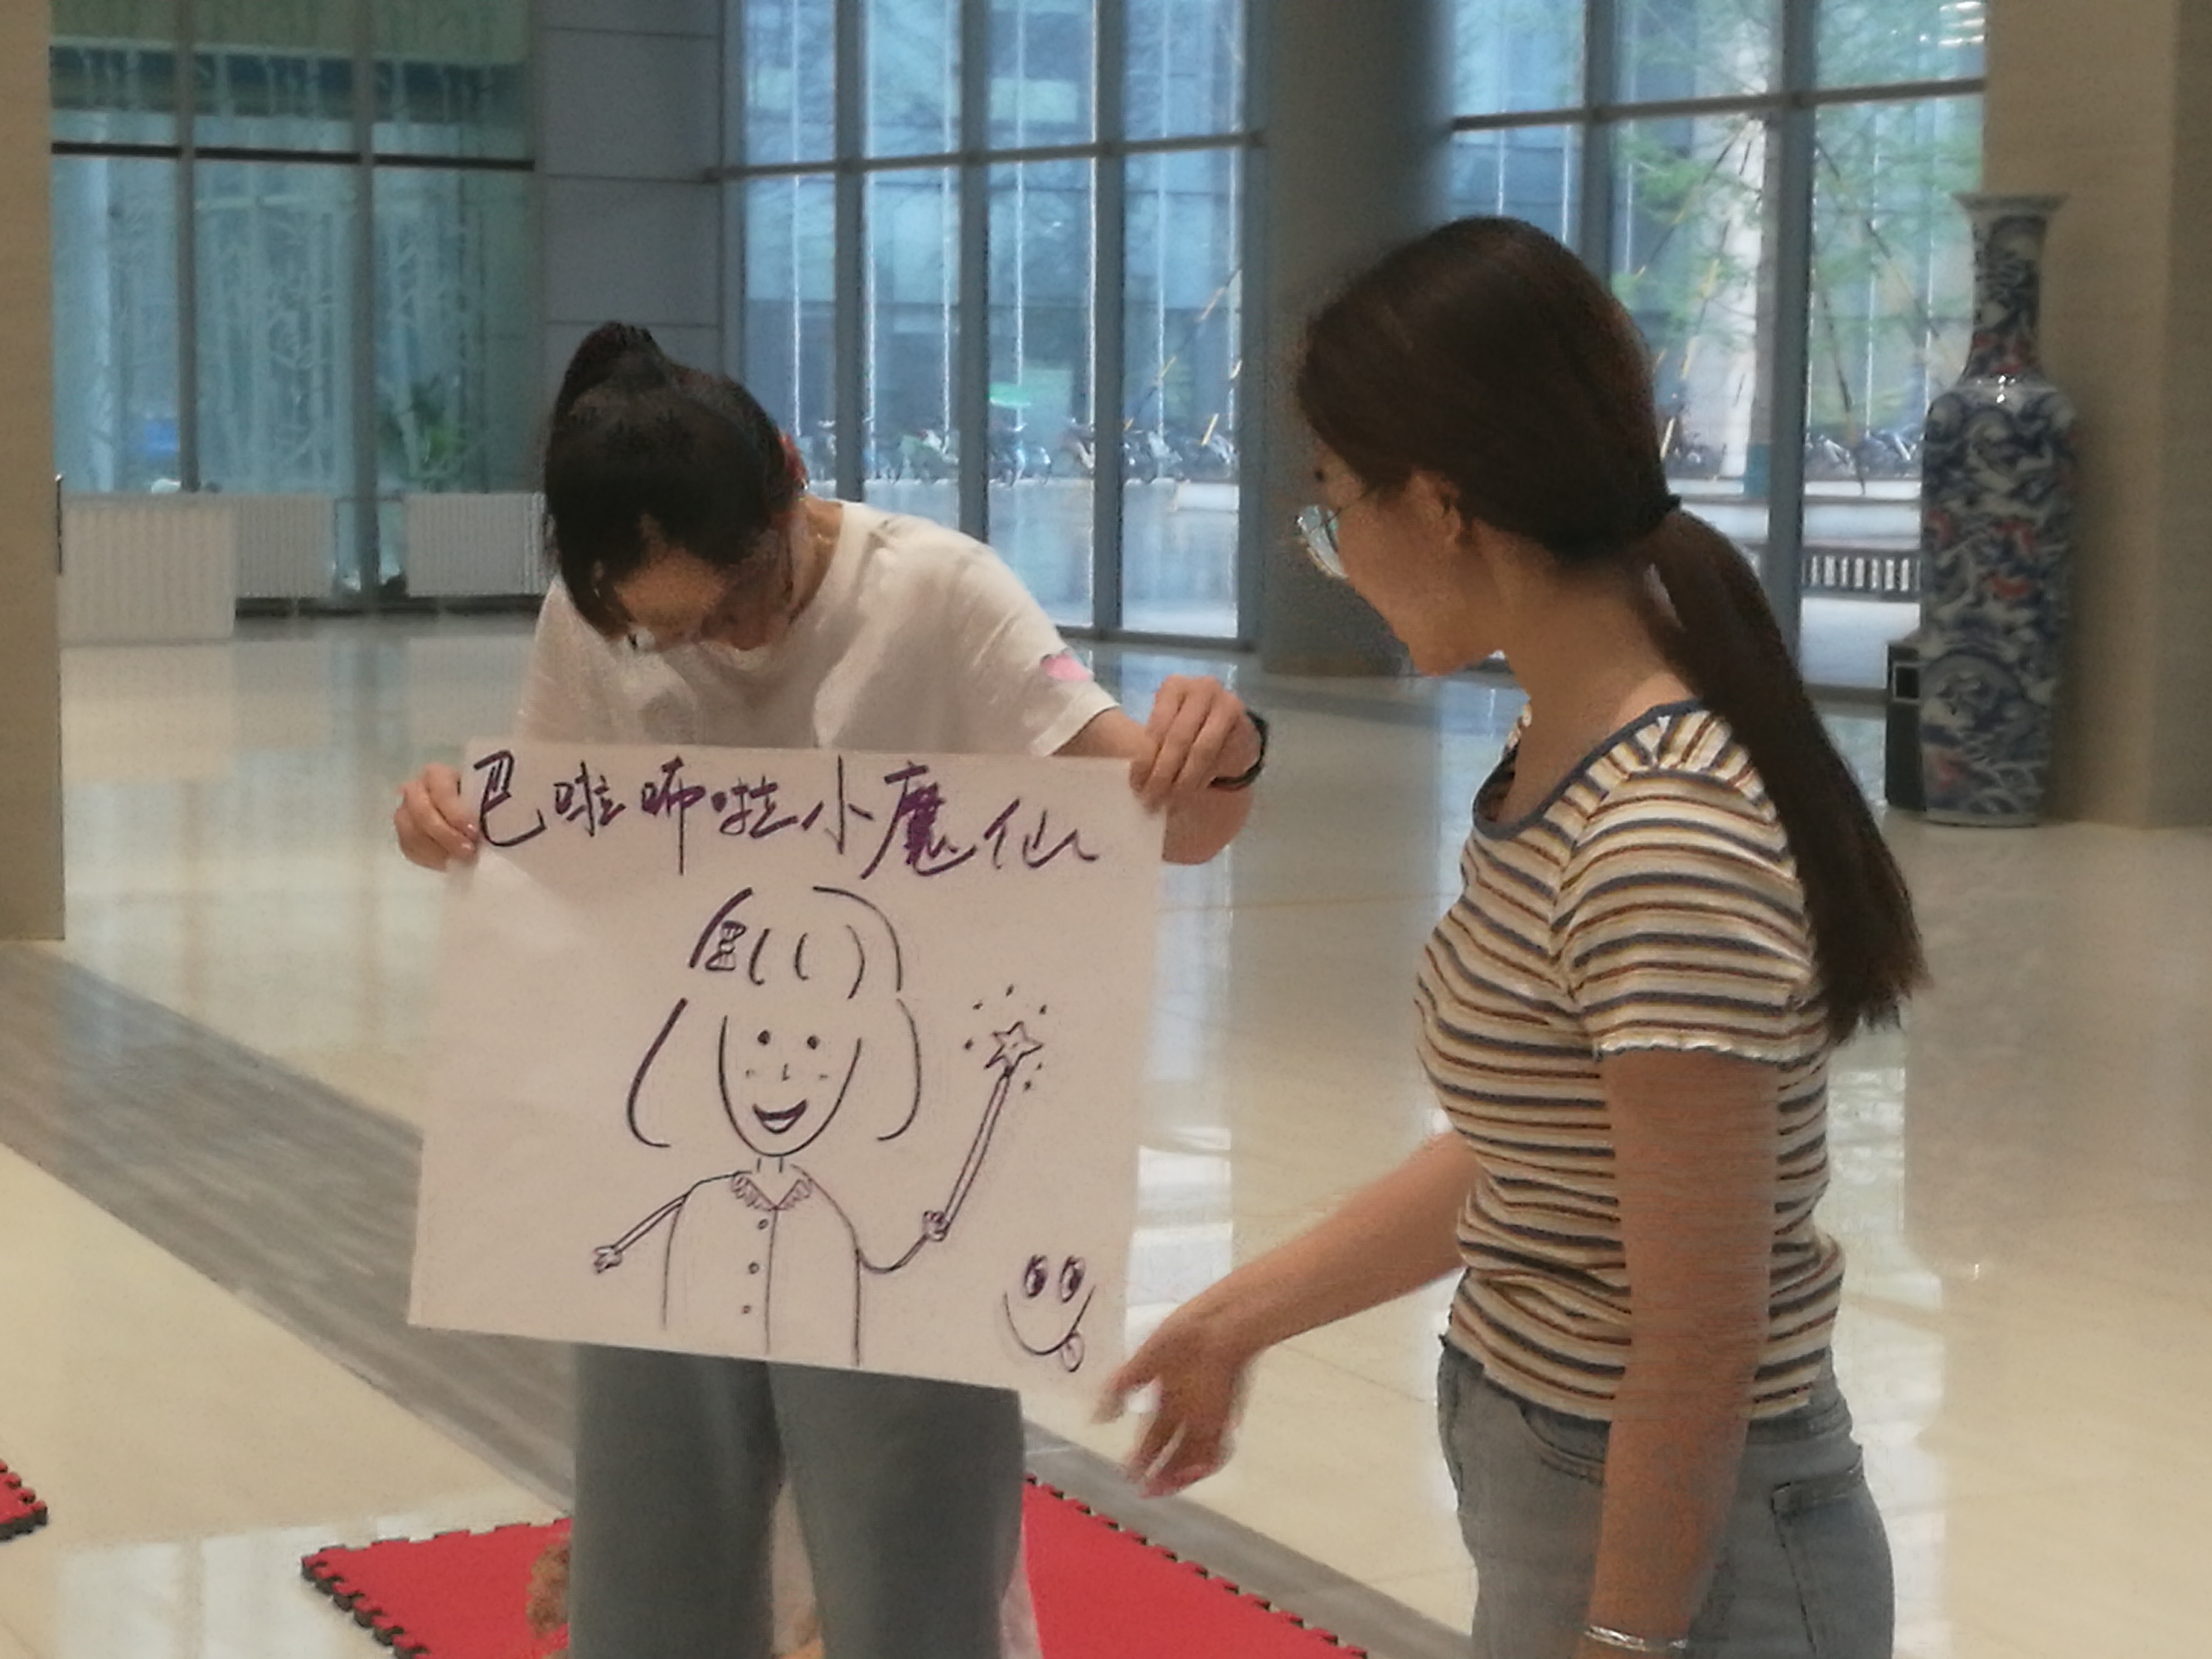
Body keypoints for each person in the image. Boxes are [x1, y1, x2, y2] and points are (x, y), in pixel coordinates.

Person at [1102, 217, 1924, 1659]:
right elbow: (1541, 1152)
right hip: (1563, 1471)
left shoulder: (1661, 831)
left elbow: (1700, 1333)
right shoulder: (1557, 753)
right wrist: (1241, 1315)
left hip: (1692, 1549)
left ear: (1438, 505)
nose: (1330, 555)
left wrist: (1624, 1639)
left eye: (1330, 508)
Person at [393, 321, 1264, 1659]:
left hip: (892, 1156)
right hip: (667, 1148)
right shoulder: (593, 617)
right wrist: (452, 824)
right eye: (671, 632)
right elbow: (554, 852)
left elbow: (1174, 824)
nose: (722, 642)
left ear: (791, 479)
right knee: (649, 1567)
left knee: (910, 1566)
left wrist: (1223, 747)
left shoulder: (939, 594)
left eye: (740, 599)